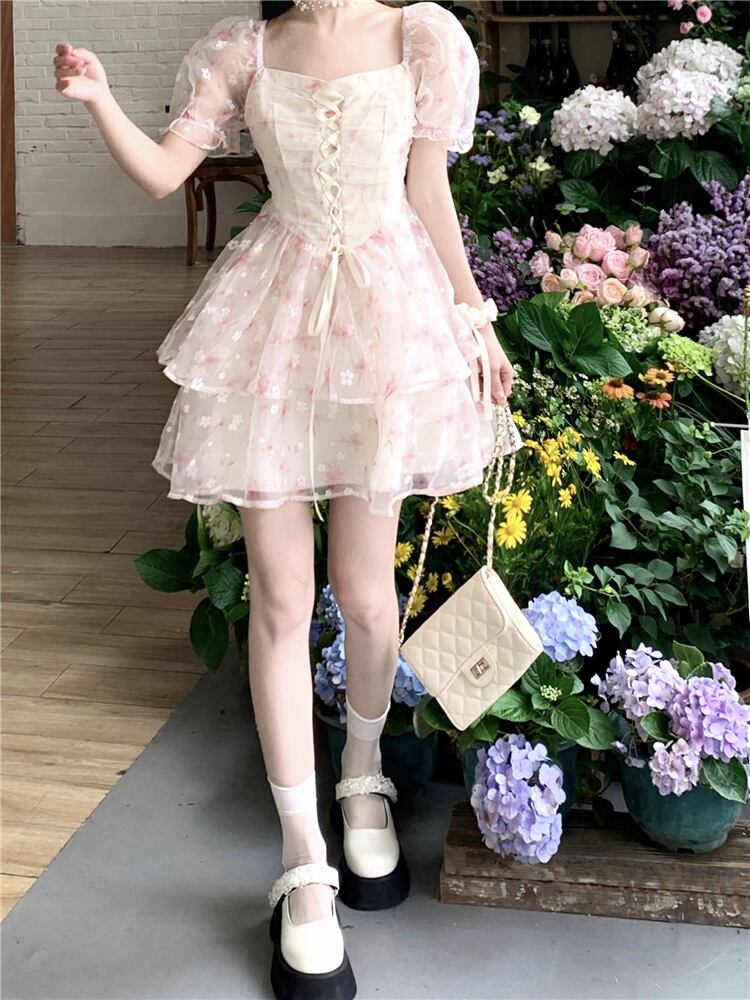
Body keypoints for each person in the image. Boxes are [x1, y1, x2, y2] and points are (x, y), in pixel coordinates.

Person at [54, 1, 515, 997]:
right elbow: (164, 172)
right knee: (278, 597)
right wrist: (98, 99)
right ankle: (303, 854)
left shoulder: (422, 37)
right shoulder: (247, 46)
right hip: (272, 325)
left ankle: (362, 777)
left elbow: (427, 188)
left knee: (366, 593)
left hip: (388, 323)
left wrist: (475, 320)